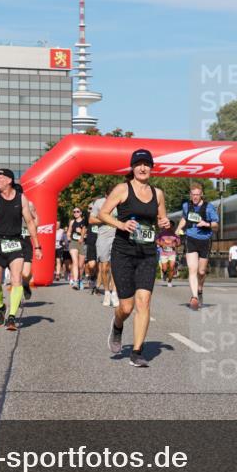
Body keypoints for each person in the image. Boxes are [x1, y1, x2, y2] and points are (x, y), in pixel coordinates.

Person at [97, 149, 171, 367]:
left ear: (151, 167)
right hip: (124, 252)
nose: (142, 168)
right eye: (138, 164)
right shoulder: (123, 189)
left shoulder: (157, 194)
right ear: (132, 168)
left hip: (147, 253)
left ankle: (137, 351)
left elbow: (161, 219)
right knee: (126, 307)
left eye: (146, 164)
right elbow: (102, 213)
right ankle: (118, 324)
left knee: (144, 301)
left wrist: (166, 224)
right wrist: (121, 224)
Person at [0, 168, 42, 331]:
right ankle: (1, 307)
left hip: (15, 243)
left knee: (16, 279)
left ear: (9, 180)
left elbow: (29, 222)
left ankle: (12, 317)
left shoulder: (21, 199)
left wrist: (37, 246)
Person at [175, 182, 219, 310]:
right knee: (192, 269)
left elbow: (216, 226)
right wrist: (178, 229)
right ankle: (194, 297)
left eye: (197, 195)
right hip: (191, 239)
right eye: (193, 195)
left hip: (205, 240)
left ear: (201, 195)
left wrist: (207, 224)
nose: (195, 197)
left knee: (201, 271)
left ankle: (200, 289)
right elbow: (184, 218)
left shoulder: (209, 207)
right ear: (190, 195)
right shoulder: (186, 206)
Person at [90, 187, 120, 307]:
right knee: (105, 267)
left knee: (116, 265)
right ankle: (107, 292)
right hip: (103, 237)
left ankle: (114, 293)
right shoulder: (99, 203)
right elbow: (91, 220)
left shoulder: (121, 201)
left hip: (118, 236)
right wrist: (104, 218)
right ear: (106, 194)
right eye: (110, 195)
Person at [15, 182, 39, 300]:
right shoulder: (6, 205)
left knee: (25, 273)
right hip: (13, 241)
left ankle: (25, 284)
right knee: (15, 273)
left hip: (26, 240)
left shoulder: (29, 204)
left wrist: (34, 215)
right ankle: (16, 296)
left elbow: (36, 223)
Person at [66, 206, 87, 290]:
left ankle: (80, 280)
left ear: (81, 213)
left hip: (83, 243)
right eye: (74, 212)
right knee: (75, 261)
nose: (75, 213)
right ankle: (75, 281)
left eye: (77, 211)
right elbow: (69, 232)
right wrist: (68, 237)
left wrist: (81, 232)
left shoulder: (85, 222)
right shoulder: (72, 222)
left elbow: (87, 234)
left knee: (81, 265)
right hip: (73, 243)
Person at [85, 202, 99, 294]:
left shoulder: (102, 216)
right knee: (91, 265)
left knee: (101, 265)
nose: (91, 210)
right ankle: (91, 278)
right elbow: (83, 227)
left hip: (101, 241)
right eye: (90, 208)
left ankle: (95, 285)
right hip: (91, 242)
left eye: (93, 208)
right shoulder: (87, 217)